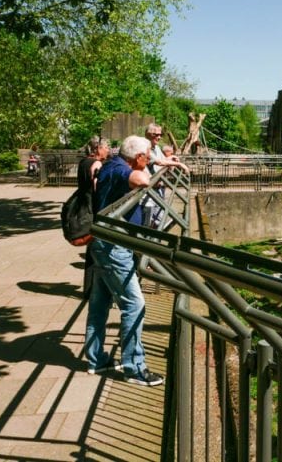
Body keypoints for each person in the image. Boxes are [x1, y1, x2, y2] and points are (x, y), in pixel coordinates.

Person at [84, 135, 164, 386]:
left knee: (100, 304)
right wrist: (148, 174)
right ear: (138, 157)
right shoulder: (121, 168)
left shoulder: (113, 164)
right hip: (112, 248)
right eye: (148, 154)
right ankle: (134, 367)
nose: (150, 158)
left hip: (104, 243)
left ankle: (96, 359)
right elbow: (141, 180)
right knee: (135, 304)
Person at [79, 137, 110, 298]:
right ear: (98, 148)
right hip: (95, 210)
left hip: (85, 207)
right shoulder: (96, 164)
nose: (108, 150)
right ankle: (95, 290)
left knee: (91, 249)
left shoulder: (83, 162)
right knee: (96, 249)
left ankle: (89, 289)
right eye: (106, 147)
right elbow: (99, 190)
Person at [142, 124, 189, 228]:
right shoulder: (145, 148)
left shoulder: (157, 148)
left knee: (160, 219)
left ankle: (155, 240)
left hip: (157, 189)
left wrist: (171, 157)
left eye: (160, 134)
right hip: (148, 192)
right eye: (156, 135)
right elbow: (159, 162)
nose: (159, 137)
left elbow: (164, 160)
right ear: (148, 134)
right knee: (147, 222)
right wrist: (180, 165)